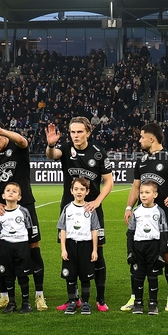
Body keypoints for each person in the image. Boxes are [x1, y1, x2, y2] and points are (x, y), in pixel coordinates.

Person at [45, 117, 114, 311]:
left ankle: (100, 299)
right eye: (72, 132)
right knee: (69, 253)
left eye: (79, 132)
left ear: (88, 133)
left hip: (92, 210)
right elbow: (52, 155)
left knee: (97, 253)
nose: (75, 135)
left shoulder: (99, 153)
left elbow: (109, 182)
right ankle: (72, 299)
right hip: (69, 209)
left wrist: (97, 201)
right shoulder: (66, 149)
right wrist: (51, 145)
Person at [0, 118, 47, 312]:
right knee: (1, 249)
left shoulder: (17, 148)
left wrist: (2, 129)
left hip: (25, 205)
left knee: (33, 247)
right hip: (2, 209)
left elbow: (23, 141)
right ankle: (4, 297)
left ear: (3, 136)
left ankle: (39, 296)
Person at [122, 123, 168, 312]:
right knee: (137, 255)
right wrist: (128, 207)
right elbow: (135, 187)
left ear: (152, 139)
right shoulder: (141, 161)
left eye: (142, 137)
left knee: (167, 255)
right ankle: (135, 297)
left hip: (163, 217)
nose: (139, 140)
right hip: (142, 218)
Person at [57, 177, 101, 315]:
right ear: (71, 191)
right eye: (76, 189)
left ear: (87, 192)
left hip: (86, 246)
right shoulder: (67, 208)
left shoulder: (90, 209)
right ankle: (72, 302)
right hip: (70, 245)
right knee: (70, 276)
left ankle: (86, 303)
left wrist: (94, 250)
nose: (79, 192)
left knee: (85, 276)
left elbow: (94, 230)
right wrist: (63, 249)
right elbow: (62, 229)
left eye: (82, 189)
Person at [126, 180, 168, 315]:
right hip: (139, 247)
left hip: (154, 247)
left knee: (152, 276)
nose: (143, 195)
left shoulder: (160, 212)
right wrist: (130, 251)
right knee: (138, 276)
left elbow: (164, 233)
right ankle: (138, 303)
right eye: (141, 193)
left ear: (155, 195)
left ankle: (153, 303)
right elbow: (130, 232)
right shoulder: (136, 211)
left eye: (147, 193)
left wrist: (161, 253)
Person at [0, 181, 36, 314]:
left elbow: (29, 228)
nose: (11, 192)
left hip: (21, 246)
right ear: (3, 195)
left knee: (23, 275)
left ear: (19, 197)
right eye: (8, 190)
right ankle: (11, 303)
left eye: (14, 191)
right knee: (8, 275)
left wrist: (23, 242)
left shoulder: (23, 211)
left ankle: (26, 302)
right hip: (6, 246)